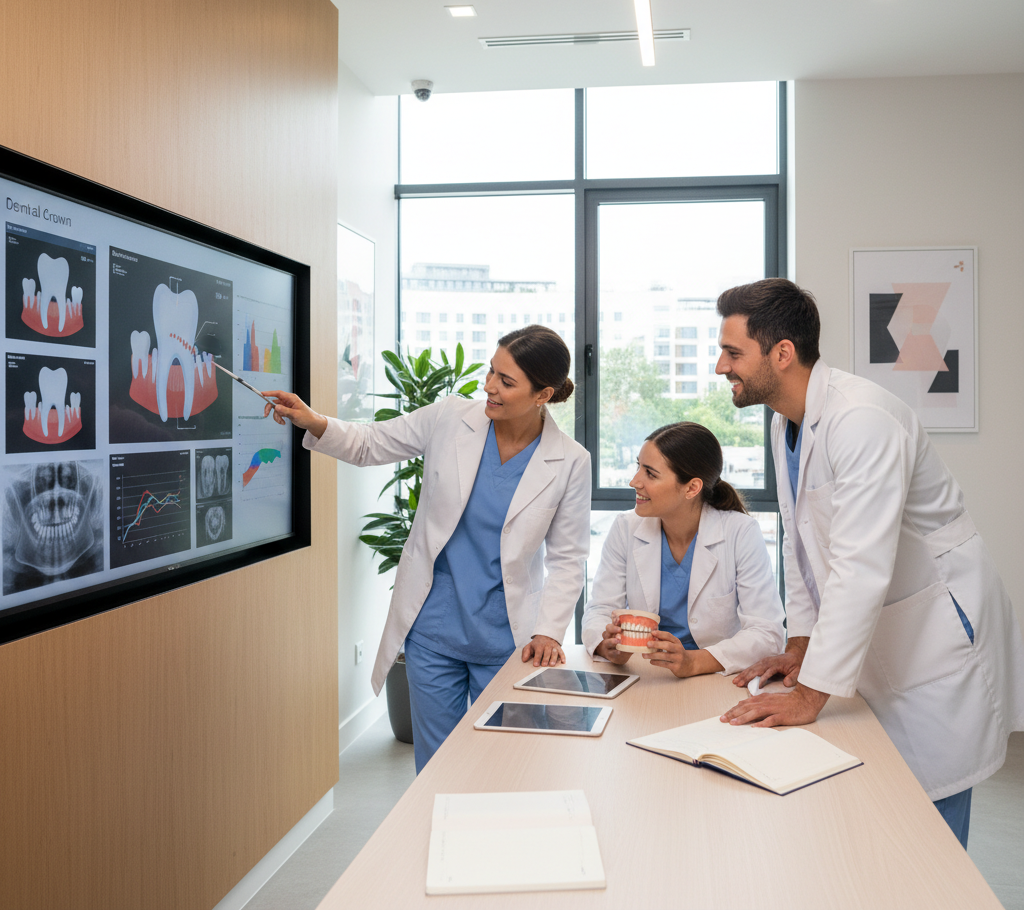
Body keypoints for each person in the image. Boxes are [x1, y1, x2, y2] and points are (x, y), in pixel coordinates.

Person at [714, 277, 1024, 848]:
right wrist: (802, 644)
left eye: (733, 352)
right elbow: (800, 542)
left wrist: (810, 694)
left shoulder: (862, 420)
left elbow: (859, 565)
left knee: (931, 807)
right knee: (883, 801)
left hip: (935, 622)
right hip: (886, 623)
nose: (720, 367)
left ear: (782, 353)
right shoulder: (791, 423)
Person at [263, 325, 591, 772]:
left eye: (507, 382)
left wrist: (550, 631)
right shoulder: (450, 418)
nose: (489, 386)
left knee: (511, 765)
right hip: (433, 630)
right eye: (492, 371)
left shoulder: (570, 460)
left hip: (509, 639)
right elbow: (371, 443)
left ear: (543, 394)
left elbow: (569, 557)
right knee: (437, 768)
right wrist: (314, 420)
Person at [582, 421, 785, 678]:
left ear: (691, 488)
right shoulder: (625, 528)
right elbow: (599, 609)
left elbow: (767, 632)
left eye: (650, 474)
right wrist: (606, 644)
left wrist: (694, 662)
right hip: (645, 675)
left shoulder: (740, 532)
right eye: (638, 467)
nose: (635, 481)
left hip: (715, 676)